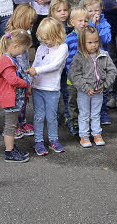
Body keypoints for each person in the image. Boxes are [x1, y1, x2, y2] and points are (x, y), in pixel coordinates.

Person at [69, 26, 117, 148]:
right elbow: (74, 75)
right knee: (84, 114)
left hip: (99, 91)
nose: (94, 45)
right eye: (90, 42)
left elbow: (112, 71)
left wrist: (105, 85)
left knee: (96, 113)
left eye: (96, 41)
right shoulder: (79, 57)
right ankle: (84, 135)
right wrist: (85, 88)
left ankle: (97, 134)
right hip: (84, 92)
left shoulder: (104, 55)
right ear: (82, 43)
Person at [0, 30, 34, 162]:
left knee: (12, 124)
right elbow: (12, 80)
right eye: (22, 50)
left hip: (12, 97)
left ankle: (11, 148)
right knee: (10, 126)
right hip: (10, 98)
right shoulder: (7, 61)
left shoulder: (7, 58)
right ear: (15, 46)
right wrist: (25, 83)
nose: (22, 53)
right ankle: (9, 152)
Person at [31, 17, 69, 156]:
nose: (45, 41)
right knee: (38, 116)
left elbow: (55, 65)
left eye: (47, 38)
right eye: (43, 38)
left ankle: (53, 139)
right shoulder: (41, 47)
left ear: (57, 34)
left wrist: (36, 71)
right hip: (37, 87)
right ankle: (38, 141)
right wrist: (30, 81)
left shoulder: (63, 47)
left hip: (52, 89)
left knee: (52, 116)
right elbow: (35, 64)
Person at [6, 4, 38, 137]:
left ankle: (22, 122)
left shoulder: (24, 33)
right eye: (30, 22)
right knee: (15, 103)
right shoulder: (13, 36)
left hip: (24, 74)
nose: (32, 25)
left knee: (23, 101)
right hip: (16, 75)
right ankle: (14, 126)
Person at [63, 7, 90, 135]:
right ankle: (73, 121)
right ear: (72, 22)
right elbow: (64, 57)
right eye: (80, 21)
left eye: (86, 20)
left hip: (87, 76)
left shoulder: (90, 37)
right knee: (72, 100)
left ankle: (85, 122)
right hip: (72, 77)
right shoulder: (68, 39)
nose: (83, 23)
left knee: (85, 101)